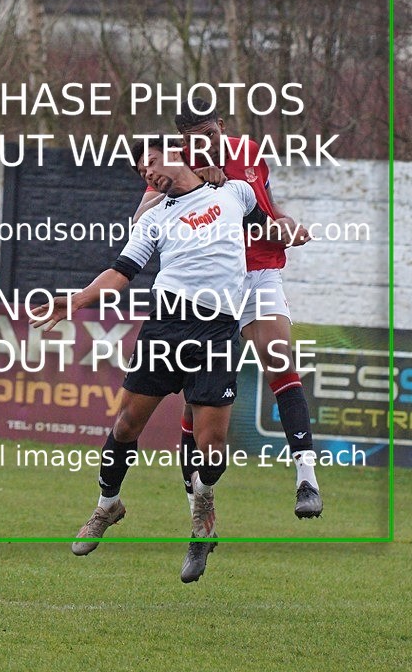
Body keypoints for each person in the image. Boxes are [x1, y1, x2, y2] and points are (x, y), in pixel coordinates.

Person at [31, 136, 290, 583]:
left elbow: (266, 218)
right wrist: (75, 300)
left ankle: (201, 515)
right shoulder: (154, 219)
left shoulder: (232, 193)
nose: (146, 173)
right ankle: (107, 506)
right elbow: (120, 273)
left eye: (150, 163)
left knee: (211, 446)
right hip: (166, 326)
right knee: (126, 425)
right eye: (141, 171)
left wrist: (286, 226)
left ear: (176, 155)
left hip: (217, 329)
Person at [134, 98, 323, 520]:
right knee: (195, 402)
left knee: (278, 357)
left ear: (222, 124)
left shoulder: (250, 153)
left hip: (258, 272)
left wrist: (287, 225)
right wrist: (196, 183)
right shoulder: (175, 164)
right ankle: (196, 505)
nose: (205, 144)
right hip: (208, 291)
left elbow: (268, 214)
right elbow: (140, 220)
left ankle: (306, 478)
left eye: (210, 135)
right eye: (193, 139)